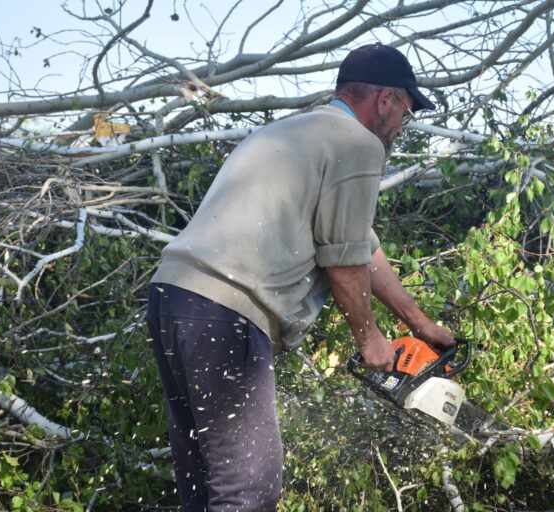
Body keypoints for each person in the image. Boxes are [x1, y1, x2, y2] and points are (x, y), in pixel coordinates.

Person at [146, 43, 455, 512]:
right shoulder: (358, 144)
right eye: (405, 114)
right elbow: (344, 261)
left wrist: (420, 324)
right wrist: (370, 339)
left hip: (174, 298)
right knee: (248, 489)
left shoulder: (295, 133)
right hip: (226, 309)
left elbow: (362, 246)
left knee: (207, 481)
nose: (400, 128)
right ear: (385, 99)